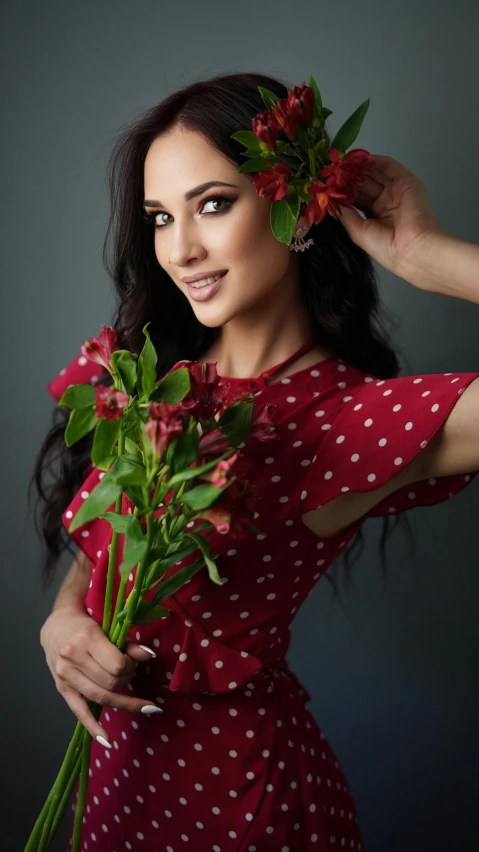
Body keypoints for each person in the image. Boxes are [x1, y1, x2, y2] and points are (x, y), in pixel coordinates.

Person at [31, 71, 479, 852]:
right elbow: (115, 530)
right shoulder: (149, 374)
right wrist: (69, 616)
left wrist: (424, 254)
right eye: (159, 217)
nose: (180, 249)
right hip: (116, 788)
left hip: (241, 808)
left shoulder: (339, 423)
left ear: (295, 203)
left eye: (212, 204)